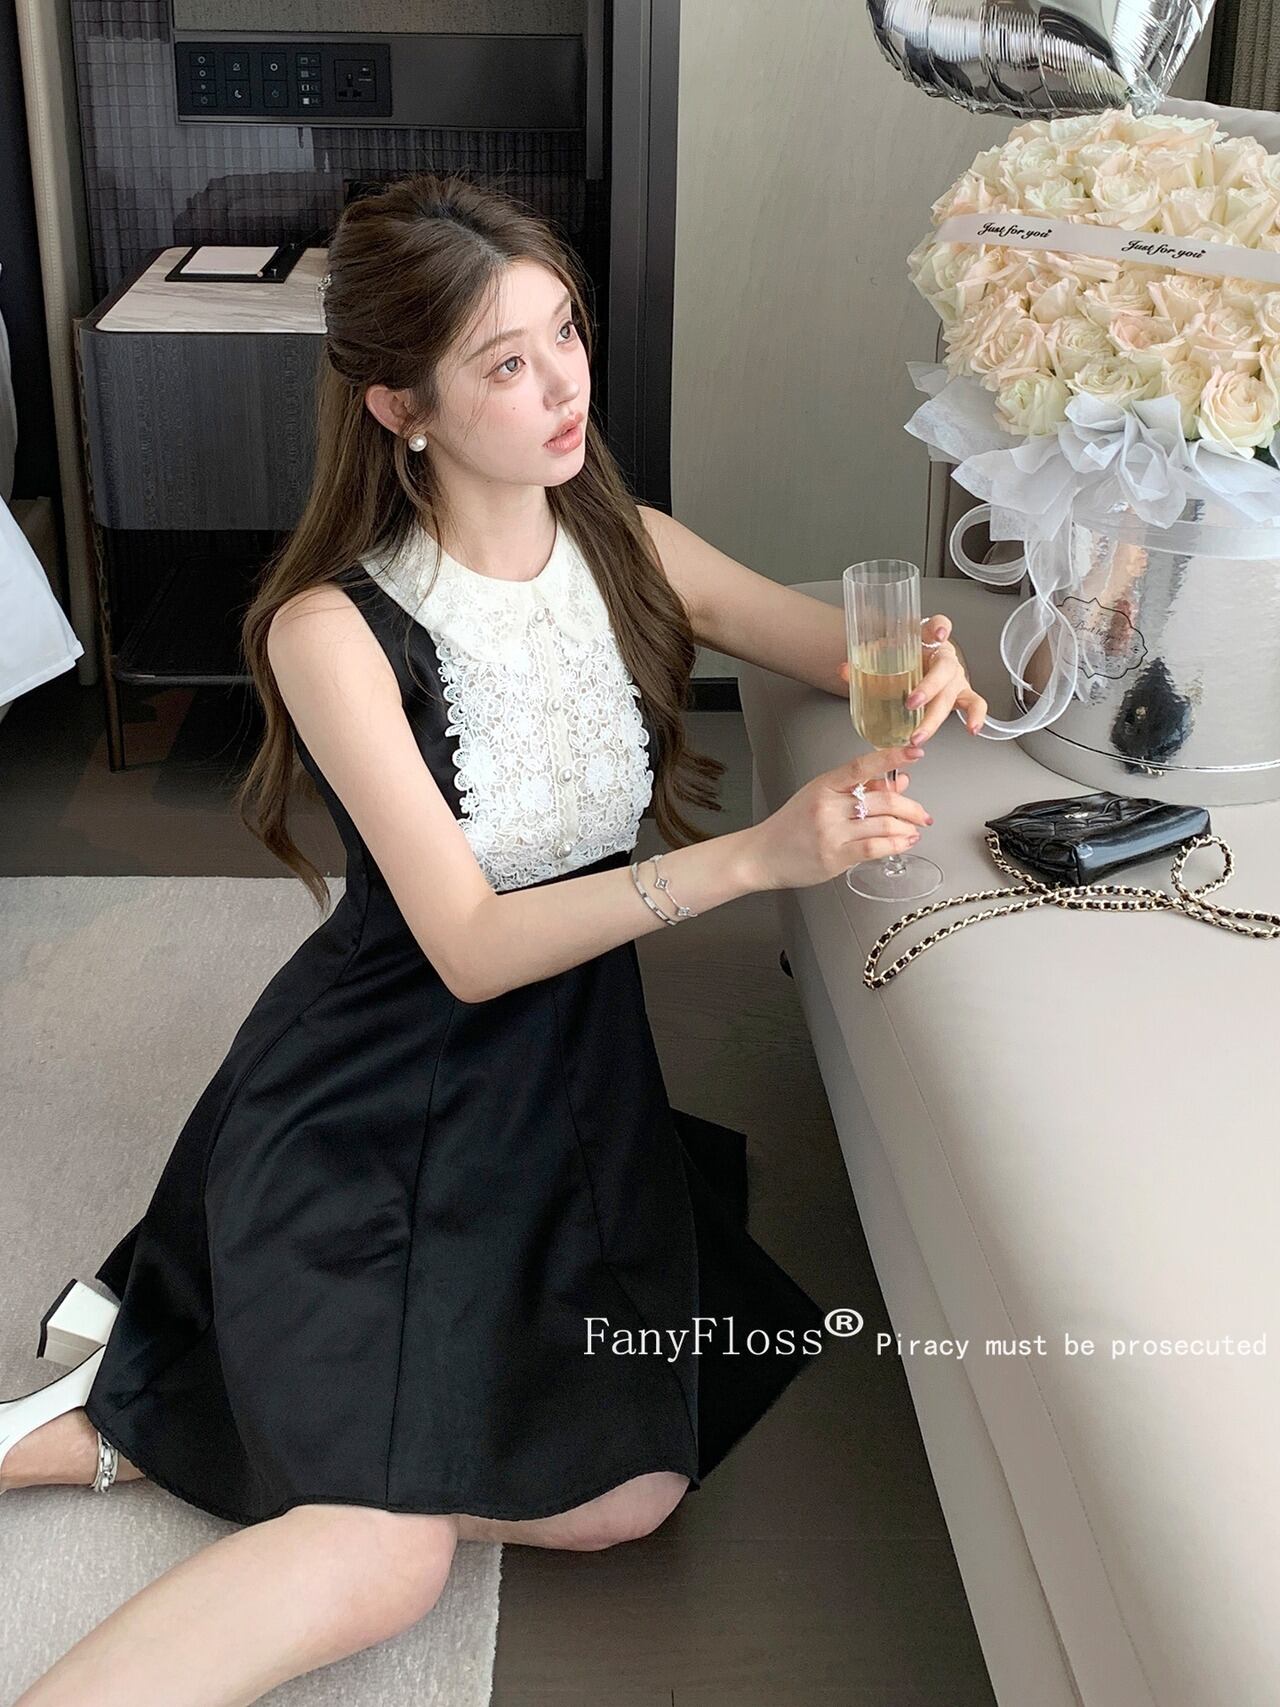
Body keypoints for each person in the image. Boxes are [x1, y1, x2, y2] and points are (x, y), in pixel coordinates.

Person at [0, 170, 987, 1706]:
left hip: (565, 1085)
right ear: (399, 406)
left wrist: (929, 661)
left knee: (630, 1495)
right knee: (391, 1557)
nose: (564, 385)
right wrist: (754, 859)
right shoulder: (331, 630)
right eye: (506, 362)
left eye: (565, 333)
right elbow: (465, 945)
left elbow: (839, 642)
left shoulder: (631, 546)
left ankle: (164, 1419)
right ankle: (187, 1434)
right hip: (378, 1093)